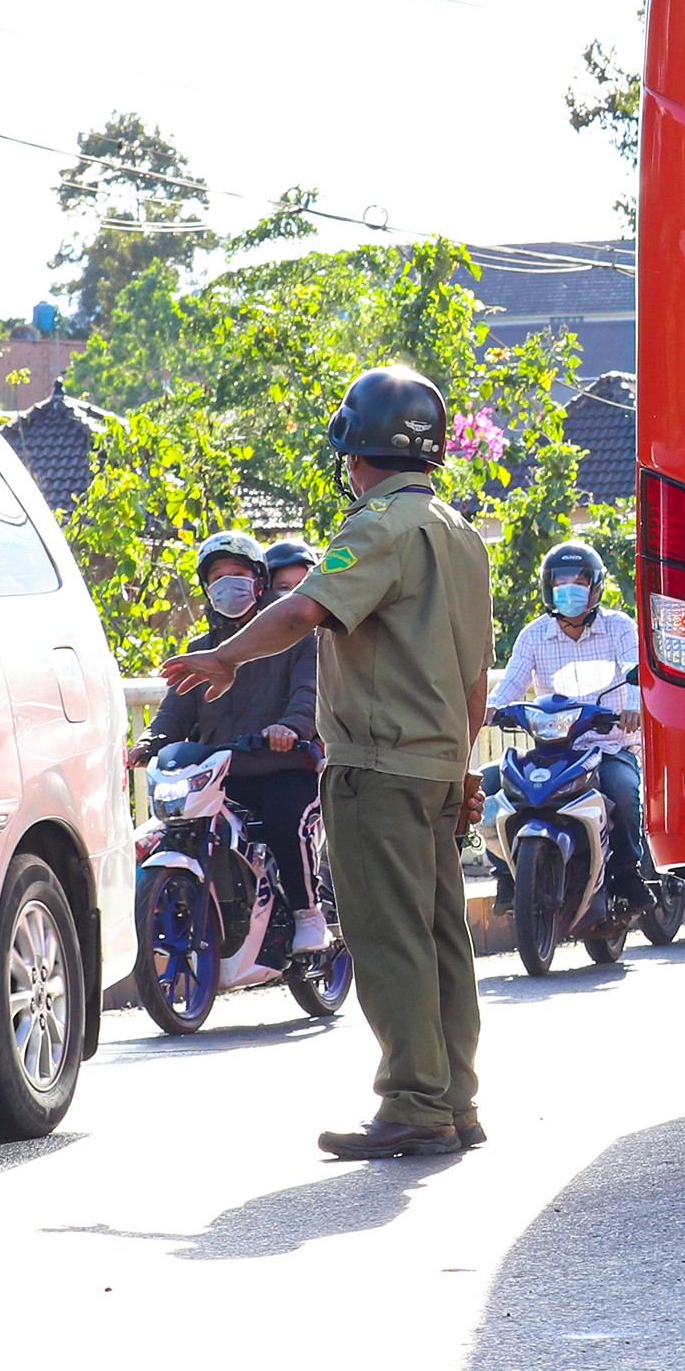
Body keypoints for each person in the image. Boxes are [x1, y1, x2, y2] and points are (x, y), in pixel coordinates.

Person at [161, 367, 492, 1161]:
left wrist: (227, 657)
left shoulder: (376, 529)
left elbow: (306, 608)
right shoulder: (460, 534)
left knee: (387, 936)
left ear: (355, 449)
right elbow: (477, 673)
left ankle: (414, 1102)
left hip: (377, 766)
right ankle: (455, 1100)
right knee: (442, 932)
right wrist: (465, 766)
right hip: (440, 766)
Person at [131, 531, 327, 973]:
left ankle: (307, 914)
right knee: (177, 828)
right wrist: (148, 743)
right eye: (217, 577)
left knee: (283, 819)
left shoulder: (296, 640)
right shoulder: (201, 652)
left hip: (283, 767)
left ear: (259, 582)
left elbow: (309, 693)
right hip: (220, 775)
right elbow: (174, 713)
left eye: (238, 574)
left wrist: (290, 728)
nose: (228, 585)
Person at [490, 540, 652, 912]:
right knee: (493, 787)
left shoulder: (619, 628)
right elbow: (512, 682)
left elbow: (635, 673)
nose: (569, 590)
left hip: (609, 746)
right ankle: (505, 875)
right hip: (553, 750)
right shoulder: (533, 635)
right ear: (548, 588)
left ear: (596, 587)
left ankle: (628, 871)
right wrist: (490, 709)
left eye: (579, 581)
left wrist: (631, 708)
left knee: (624, 792)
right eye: (560, 582)